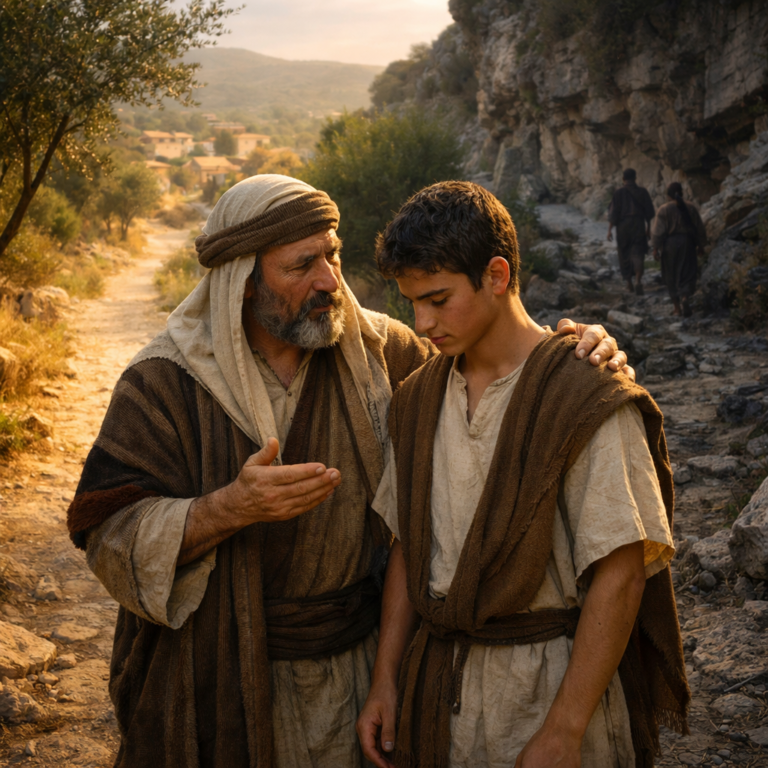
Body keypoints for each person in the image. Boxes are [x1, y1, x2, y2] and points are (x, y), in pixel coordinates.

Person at [66, 174, 632, 768]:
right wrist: (228, 508)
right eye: (301, 265)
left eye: (333, 254)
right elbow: (107, 531)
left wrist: (578, 344)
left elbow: (495, 347)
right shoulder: (162, 383)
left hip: (364, 674)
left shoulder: (388, 353)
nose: (329, 280)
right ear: (242, 279)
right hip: (220, 673)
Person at [358, 181, 689, 768]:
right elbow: (410, 548)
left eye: (438, 298)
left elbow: (621, 573)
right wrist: (386, 678)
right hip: (438, 697)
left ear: (497, 275)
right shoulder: (417, 397)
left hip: (548, 693)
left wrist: (564, 729)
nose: (423, 322)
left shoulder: (583, 392)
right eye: (412, 302)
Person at [651, 181, 707, 317]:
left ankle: (677, 308)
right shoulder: (691, 207)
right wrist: (701, 245)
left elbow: (658, 232)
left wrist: (655, 248)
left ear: (668, 195)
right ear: (681, 192)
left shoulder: (664, 209)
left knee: (670, 274)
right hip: (688, 243)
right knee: (688, 272)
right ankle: (685, 298)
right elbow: (699, 228)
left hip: (670, 245)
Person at [607, 168, 656, 295]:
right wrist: (648, 228)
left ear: (623, 179)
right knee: (638, 252)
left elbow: (613, 213)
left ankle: (629, 284)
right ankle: (638, 281)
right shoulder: (643, 192)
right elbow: (649, 212)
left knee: (624, 253)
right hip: (639, 225)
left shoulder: (618, 193)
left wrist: (609, 230)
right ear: (635, 178)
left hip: (623, 226)